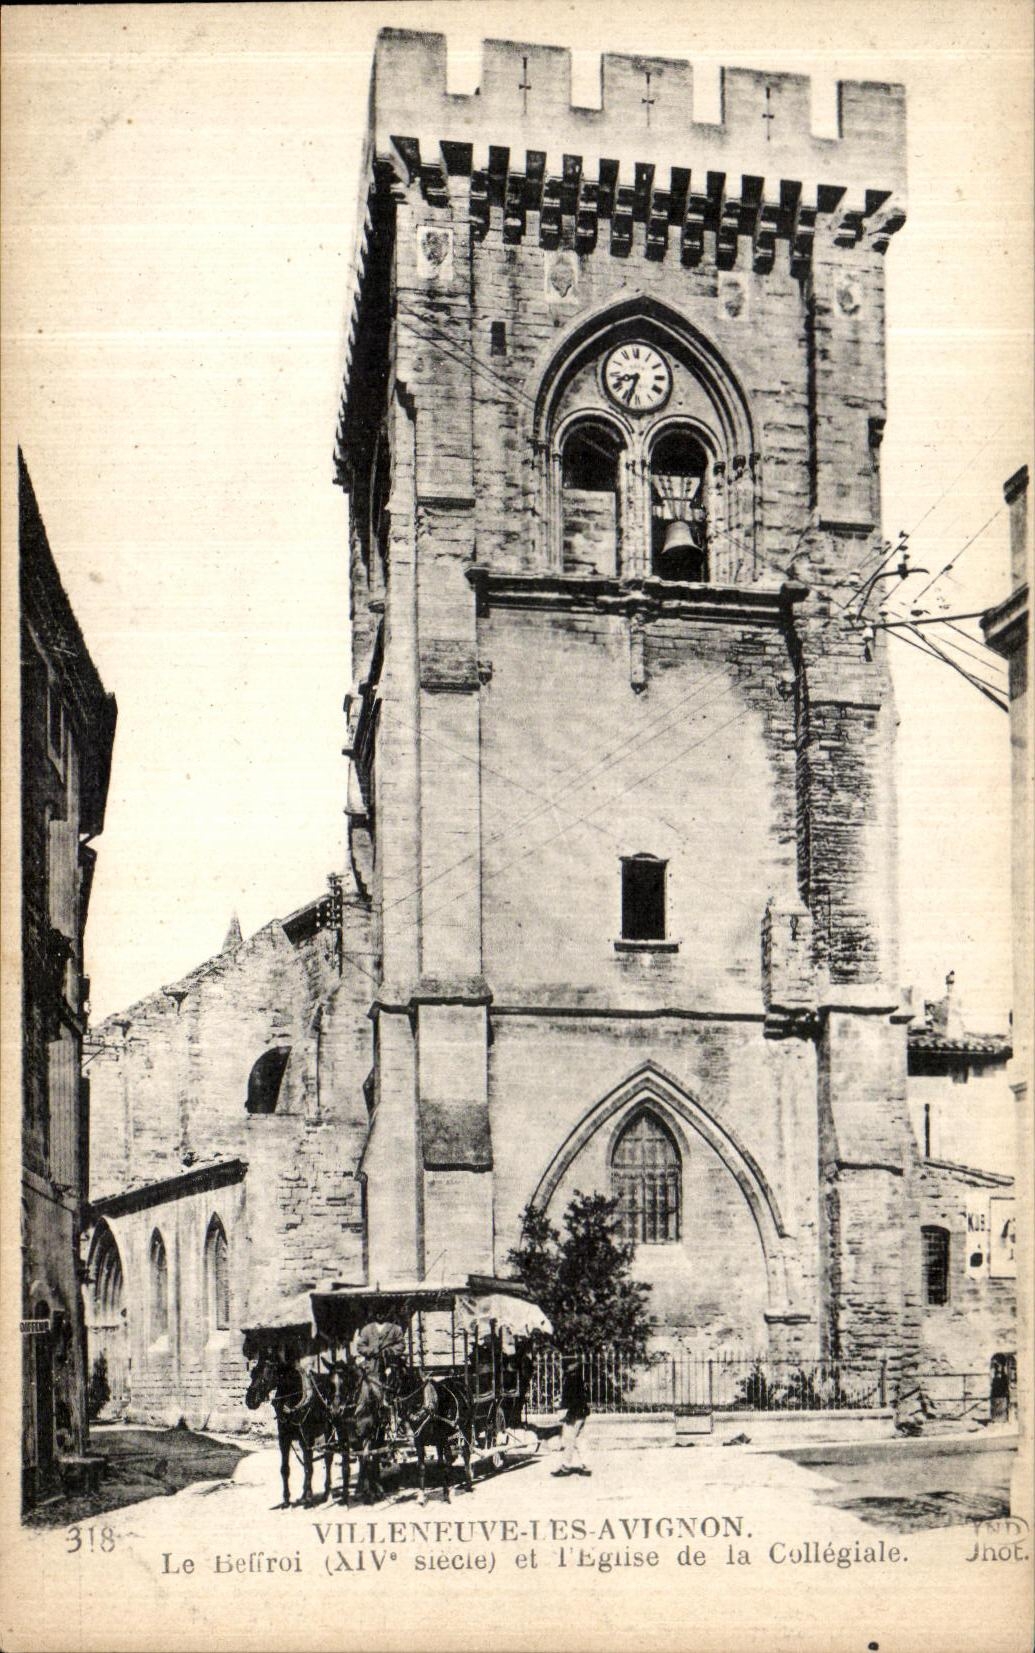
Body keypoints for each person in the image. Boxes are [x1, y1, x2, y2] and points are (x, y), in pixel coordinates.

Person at [552, 1354, 591, 1477]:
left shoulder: (571, 1379)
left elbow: (574, 1399)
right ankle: (586, 1466)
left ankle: (565, 1466)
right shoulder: (577, 1377)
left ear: (568, 1366)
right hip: (581, 1412)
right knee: (580, 1440)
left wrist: (568, 1414)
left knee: (568, 1440)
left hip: (575, 1413)